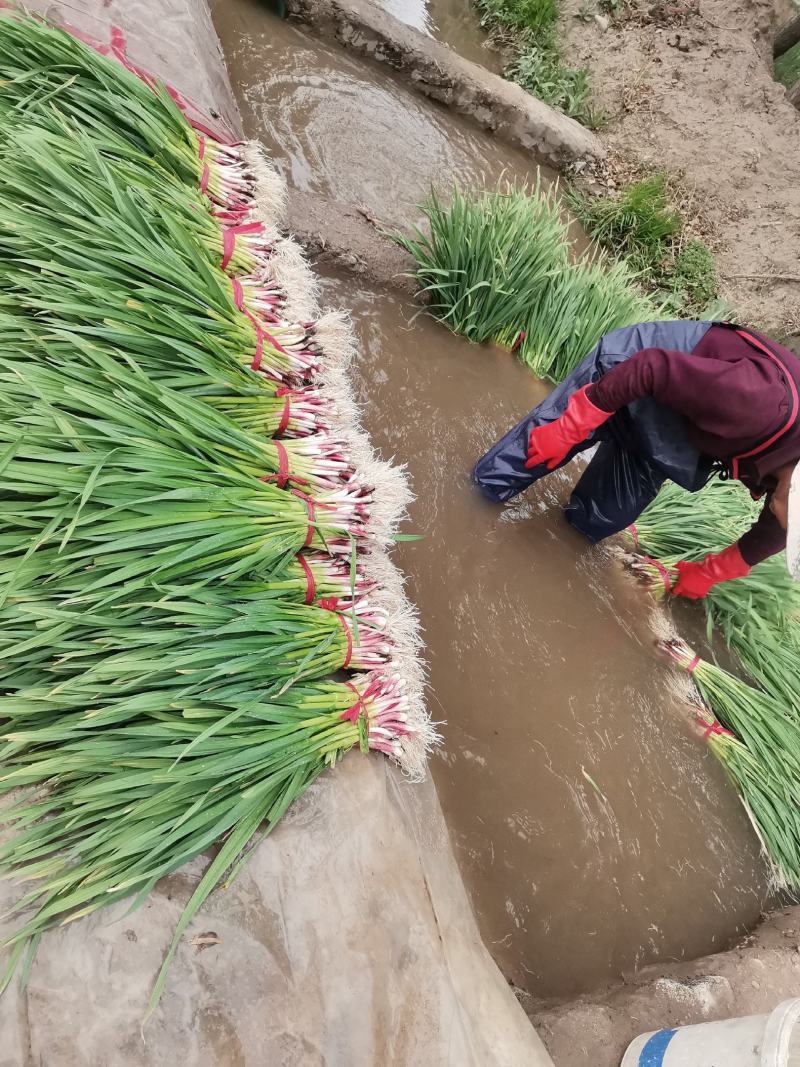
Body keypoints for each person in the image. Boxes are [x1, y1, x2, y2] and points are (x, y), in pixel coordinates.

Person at [473, 320, 800, 598]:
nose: (788, 524)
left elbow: (774, 531)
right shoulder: (758, 403)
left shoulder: (788, 484)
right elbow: (651, 368)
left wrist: (715, 570)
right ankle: (468, 503)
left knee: (596, 522)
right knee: (520, 462)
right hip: (626, 375)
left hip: (673, 431)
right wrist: (570, 426)